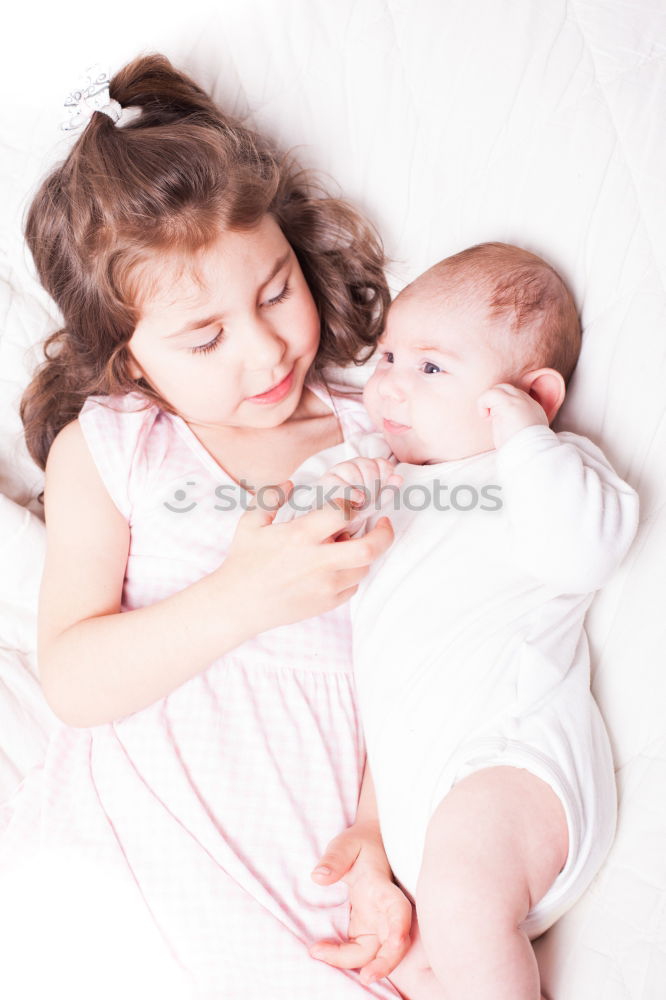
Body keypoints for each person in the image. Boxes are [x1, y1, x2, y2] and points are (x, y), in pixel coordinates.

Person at [0, 53, 416, 999]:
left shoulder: (381, 433)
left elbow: (421, 658)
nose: (267, 347)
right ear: (133, 363)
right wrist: (244, 596)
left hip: (310, 889)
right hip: (117, 863)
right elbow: (71, 675)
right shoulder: (117, 450)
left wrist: (383, 834)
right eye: (204, 337)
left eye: (275, 290)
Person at [295, 244, 639, 999]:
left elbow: (586, 552)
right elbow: (298, 554)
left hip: (512, 762)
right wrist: (333, 494)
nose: (388, 383)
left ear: (531, 395)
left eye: (430, 368)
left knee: (459, 905)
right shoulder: (386, 481)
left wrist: (524, 439)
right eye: (386, 356)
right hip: (428, 809)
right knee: (423, 956)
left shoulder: (544, 472)